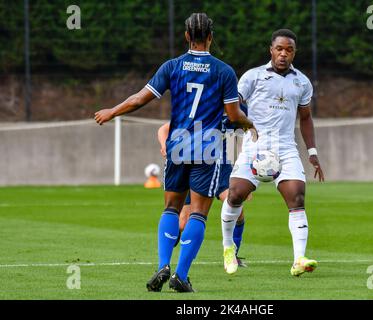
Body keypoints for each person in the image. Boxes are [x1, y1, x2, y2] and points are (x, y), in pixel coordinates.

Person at [94, 13, 256, 292]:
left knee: (171, 208)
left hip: (178, 145)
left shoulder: (172, 66)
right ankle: (181, 275)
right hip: (207, 148)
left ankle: (162, 265)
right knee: (198, 215)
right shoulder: (223, 71)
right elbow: (233, 113)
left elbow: (139, 99)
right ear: (210, 37)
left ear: (186, 36)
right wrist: (250, 123)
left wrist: (112, 111)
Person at [220, 29, 325, 276]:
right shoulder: (252, 76)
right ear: (271, 50)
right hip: (254, 145)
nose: (283, 54)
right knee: (235, 195)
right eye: (279, 48)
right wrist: (240, 126)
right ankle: (228, 248)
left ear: (294, 53)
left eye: (289, 50)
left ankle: (299, 259)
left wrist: (312, 151)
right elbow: (231, 107)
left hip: (286, 148)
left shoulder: (302, 82)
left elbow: (306, 117)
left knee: (297, 197)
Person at [157, 115, 249, 267]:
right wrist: (164, 145)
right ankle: (170, 255)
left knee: (237, 209)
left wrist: (245, 178)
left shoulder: (237, 111)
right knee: (183, 222)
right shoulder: (202, 110)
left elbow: (247, 137)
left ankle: (233, 255)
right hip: (196, 168)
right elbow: (164, 129)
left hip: (222, 166)